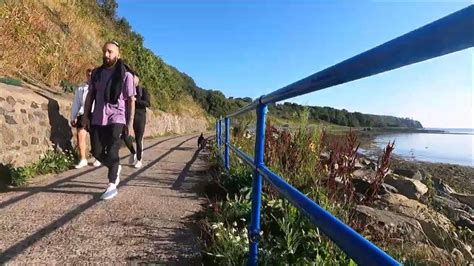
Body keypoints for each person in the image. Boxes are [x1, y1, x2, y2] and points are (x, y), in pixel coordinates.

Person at [82, 40, 136, 200]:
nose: (106, 54)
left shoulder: (126, 76)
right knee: (96, 151)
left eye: (110, 52)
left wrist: (130, 123)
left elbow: (130, 100)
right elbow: (90, 95)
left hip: (117, 117)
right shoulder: (96, 74)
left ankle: (112, 184)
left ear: (118, 54)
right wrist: (85, 116)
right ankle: (115, 166)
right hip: (98, 117)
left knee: (112, 149)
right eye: (104, 51)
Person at [70, 68, 101, 168]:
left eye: (92, 75)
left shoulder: (99, 88)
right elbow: (76, 103)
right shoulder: (81, 88)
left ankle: (97, 157)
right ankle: (83, 159)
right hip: (83, 114)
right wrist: (73, 116)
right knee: (80, 135)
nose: (90, 76)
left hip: (95, 114)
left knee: (95, 138)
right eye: (88, 75)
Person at [122, 73, 150, 168]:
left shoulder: (142, 90)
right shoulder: (126, 89)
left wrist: (135, 100)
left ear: (138, 79)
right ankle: (133, 152)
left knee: (138, 139)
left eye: (134, 78)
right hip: (128, 115)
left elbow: (147, 103)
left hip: (140, 116)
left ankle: (139, 159)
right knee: (125, 136)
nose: (132, 79)